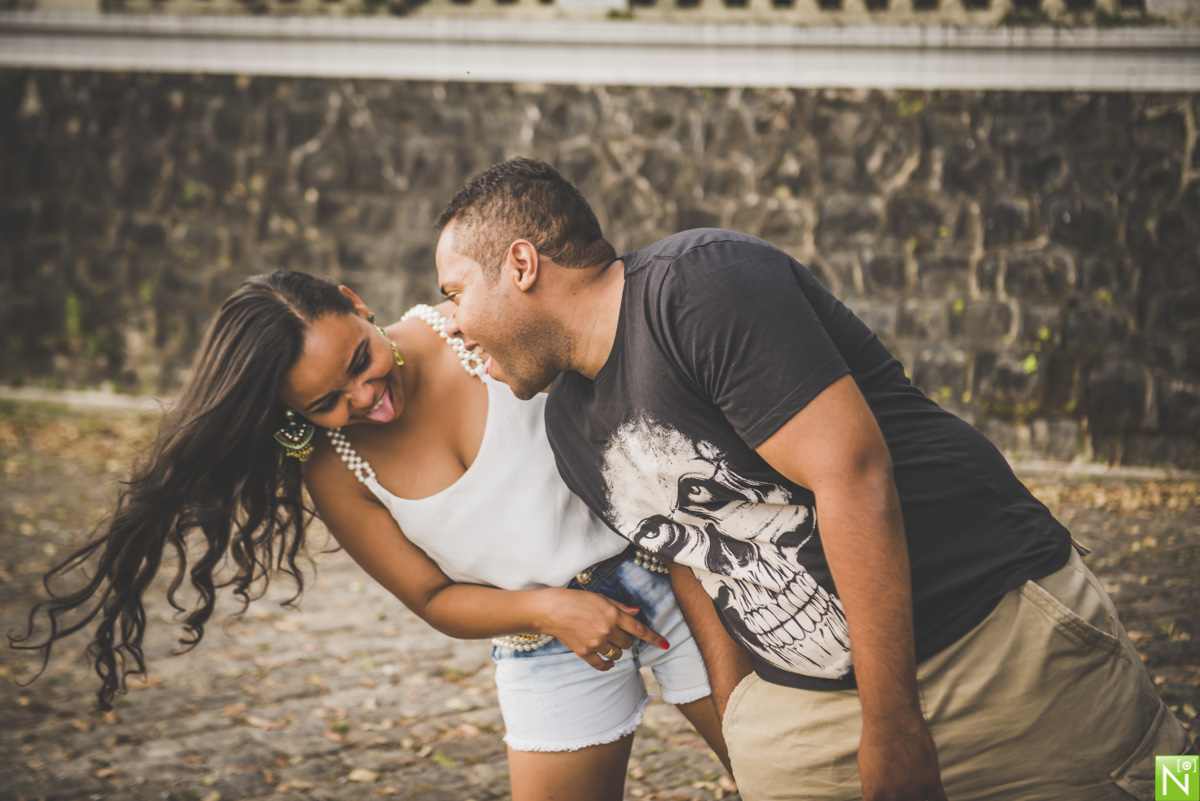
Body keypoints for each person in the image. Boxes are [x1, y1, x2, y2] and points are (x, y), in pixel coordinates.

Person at [433, 157, 1196, 801]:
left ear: (523, 264)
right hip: (804, 709)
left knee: (1168, 776)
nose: (453, 325)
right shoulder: (570, 425)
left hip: (995, 635)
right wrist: (742, 720)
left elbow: (854, 476)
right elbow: (690, 557)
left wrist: (893, 726)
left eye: (454, 291)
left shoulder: (698, 288)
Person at [11, 271, 729, 801]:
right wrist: (548, 608)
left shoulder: (475, 326)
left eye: (359, 360)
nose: (366, 400)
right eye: (326, 403)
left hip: (672, 583)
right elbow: (433, 596)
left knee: (777, 773)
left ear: (357, 303)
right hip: (539, 640)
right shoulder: (335, 469)